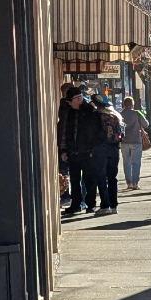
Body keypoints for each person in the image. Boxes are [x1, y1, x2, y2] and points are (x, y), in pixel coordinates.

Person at [60, 86, 102, 214]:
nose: (76, 101)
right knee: (75, 180)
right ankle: (76, 204)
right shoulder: (69, 113)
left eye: (78, 98)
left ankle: (90, 204)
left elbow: (96, 133)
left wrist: (92, 150)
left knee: (89, 180)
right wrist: (64, 150)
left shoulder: (90, 111)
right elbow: (65, 133)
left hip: (87, 152)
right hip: (73, 152)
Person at [92, 94, 124, 213]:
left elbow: (93, 134)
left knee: (101, 177)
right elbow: (121, 134)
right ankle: (114, 205)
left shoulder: (96, 116)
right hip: (114, 149)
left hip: (100, 149)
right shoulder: (116, 116)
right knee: (112, 178)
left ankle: (105, 206)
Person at [121, 96, 149, 190]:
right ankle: (135, 183)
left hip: (124, 141)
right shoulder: (137, 113)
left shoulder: (119, 114)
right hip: (136, 140)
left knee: (126, 163)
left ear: (124, 104)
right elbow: (146, 124)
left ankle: (128, 183)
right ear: (132, 104)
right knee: (136, 163)